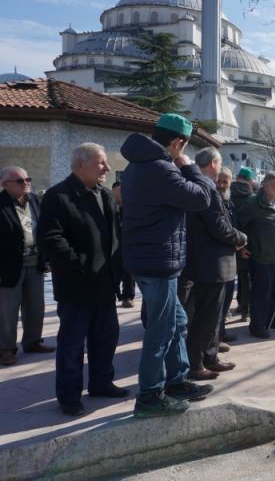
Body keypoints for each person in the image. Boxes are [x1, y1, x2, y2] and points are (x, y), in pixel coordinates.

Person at [121, 113, 213, 418]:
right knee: (160, 330)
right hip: (157, 261)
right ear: (178, 142)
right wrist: (189, 167)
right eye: (184, 147)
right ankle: (150, 395)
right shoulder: (160, 169)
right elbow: (201, 199)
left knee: (178, 322)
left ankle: (176, 381)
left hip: (151, 258)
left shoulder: (139, 165)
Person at [37, 144, 127, 415]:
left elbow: (114, 236)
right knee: (72, 345)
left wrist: (118, 269)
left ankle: (101, 383)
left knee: (106, 338)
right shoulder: (58, 196)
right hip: (76, 286)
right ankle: (69, 396)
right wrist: (80, 264)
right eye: (100, 163)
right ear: (80, 165)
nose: (107, 168)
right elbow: (50, 238)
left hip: (105, 284)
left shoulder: (105, 194)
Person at [178, 148, 247, 380]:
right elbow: (218, 226)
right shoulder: (206, 187)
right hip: (210, 263)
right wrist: (240, 238)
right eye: (219, 163)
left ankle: (210, 356)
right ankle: (196, 364)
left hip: (205, 262)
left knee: (212, 316)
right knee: (205, 317)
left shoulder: (193, 185)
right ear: (214, 164)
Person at [0, 166, 53, 366]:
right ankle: (5, 349)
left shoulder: (36, 201)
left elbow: (46, 230)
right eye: (21, 181)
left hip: (35, 264)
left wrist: (46, 259)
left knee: (35, 307)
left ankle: (32, 342)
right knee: (8, 312)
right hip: (8, 268)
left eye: (28, 179)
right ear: (5, 184)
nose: (26, 183)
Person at [237, 171, 275, 338]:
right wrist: (241, 247)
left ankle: (274, 321)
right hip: (261, 257)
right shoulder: (252, 204)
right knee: (261, 294)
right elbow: (238, 224)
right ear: (265, 185)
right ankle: (257, 326)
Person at [231, 167, 256, 321]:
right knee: (246, 277)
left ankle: (238, 305)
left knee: (235, 277)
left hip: (230, 241)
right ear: (250, 181)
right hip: (248, 242)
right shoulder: (252, 198)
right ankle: (246, 310)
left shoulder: (227, 194)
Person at [216, 167, 238, 344]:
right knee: (216, 302)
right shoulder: (212, 202)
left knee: (227, 298)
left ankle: (221, 332)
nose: (222, 185)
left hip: (230, 257)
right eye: (219, 181)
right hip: (216, 260)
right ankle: (214, 339)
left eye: (226, 181)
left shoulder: (230, 203)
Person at [111, 181, 136, 309]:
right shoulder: (109, 207)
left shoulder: (130, 208)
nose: (119, 194)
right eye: (116, 192)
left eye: (121, 191)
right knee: (113, 274)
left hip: (128, 247)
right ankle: (111, 295)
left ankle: (128, 297)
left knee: (128, 274)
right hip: (113, 248)